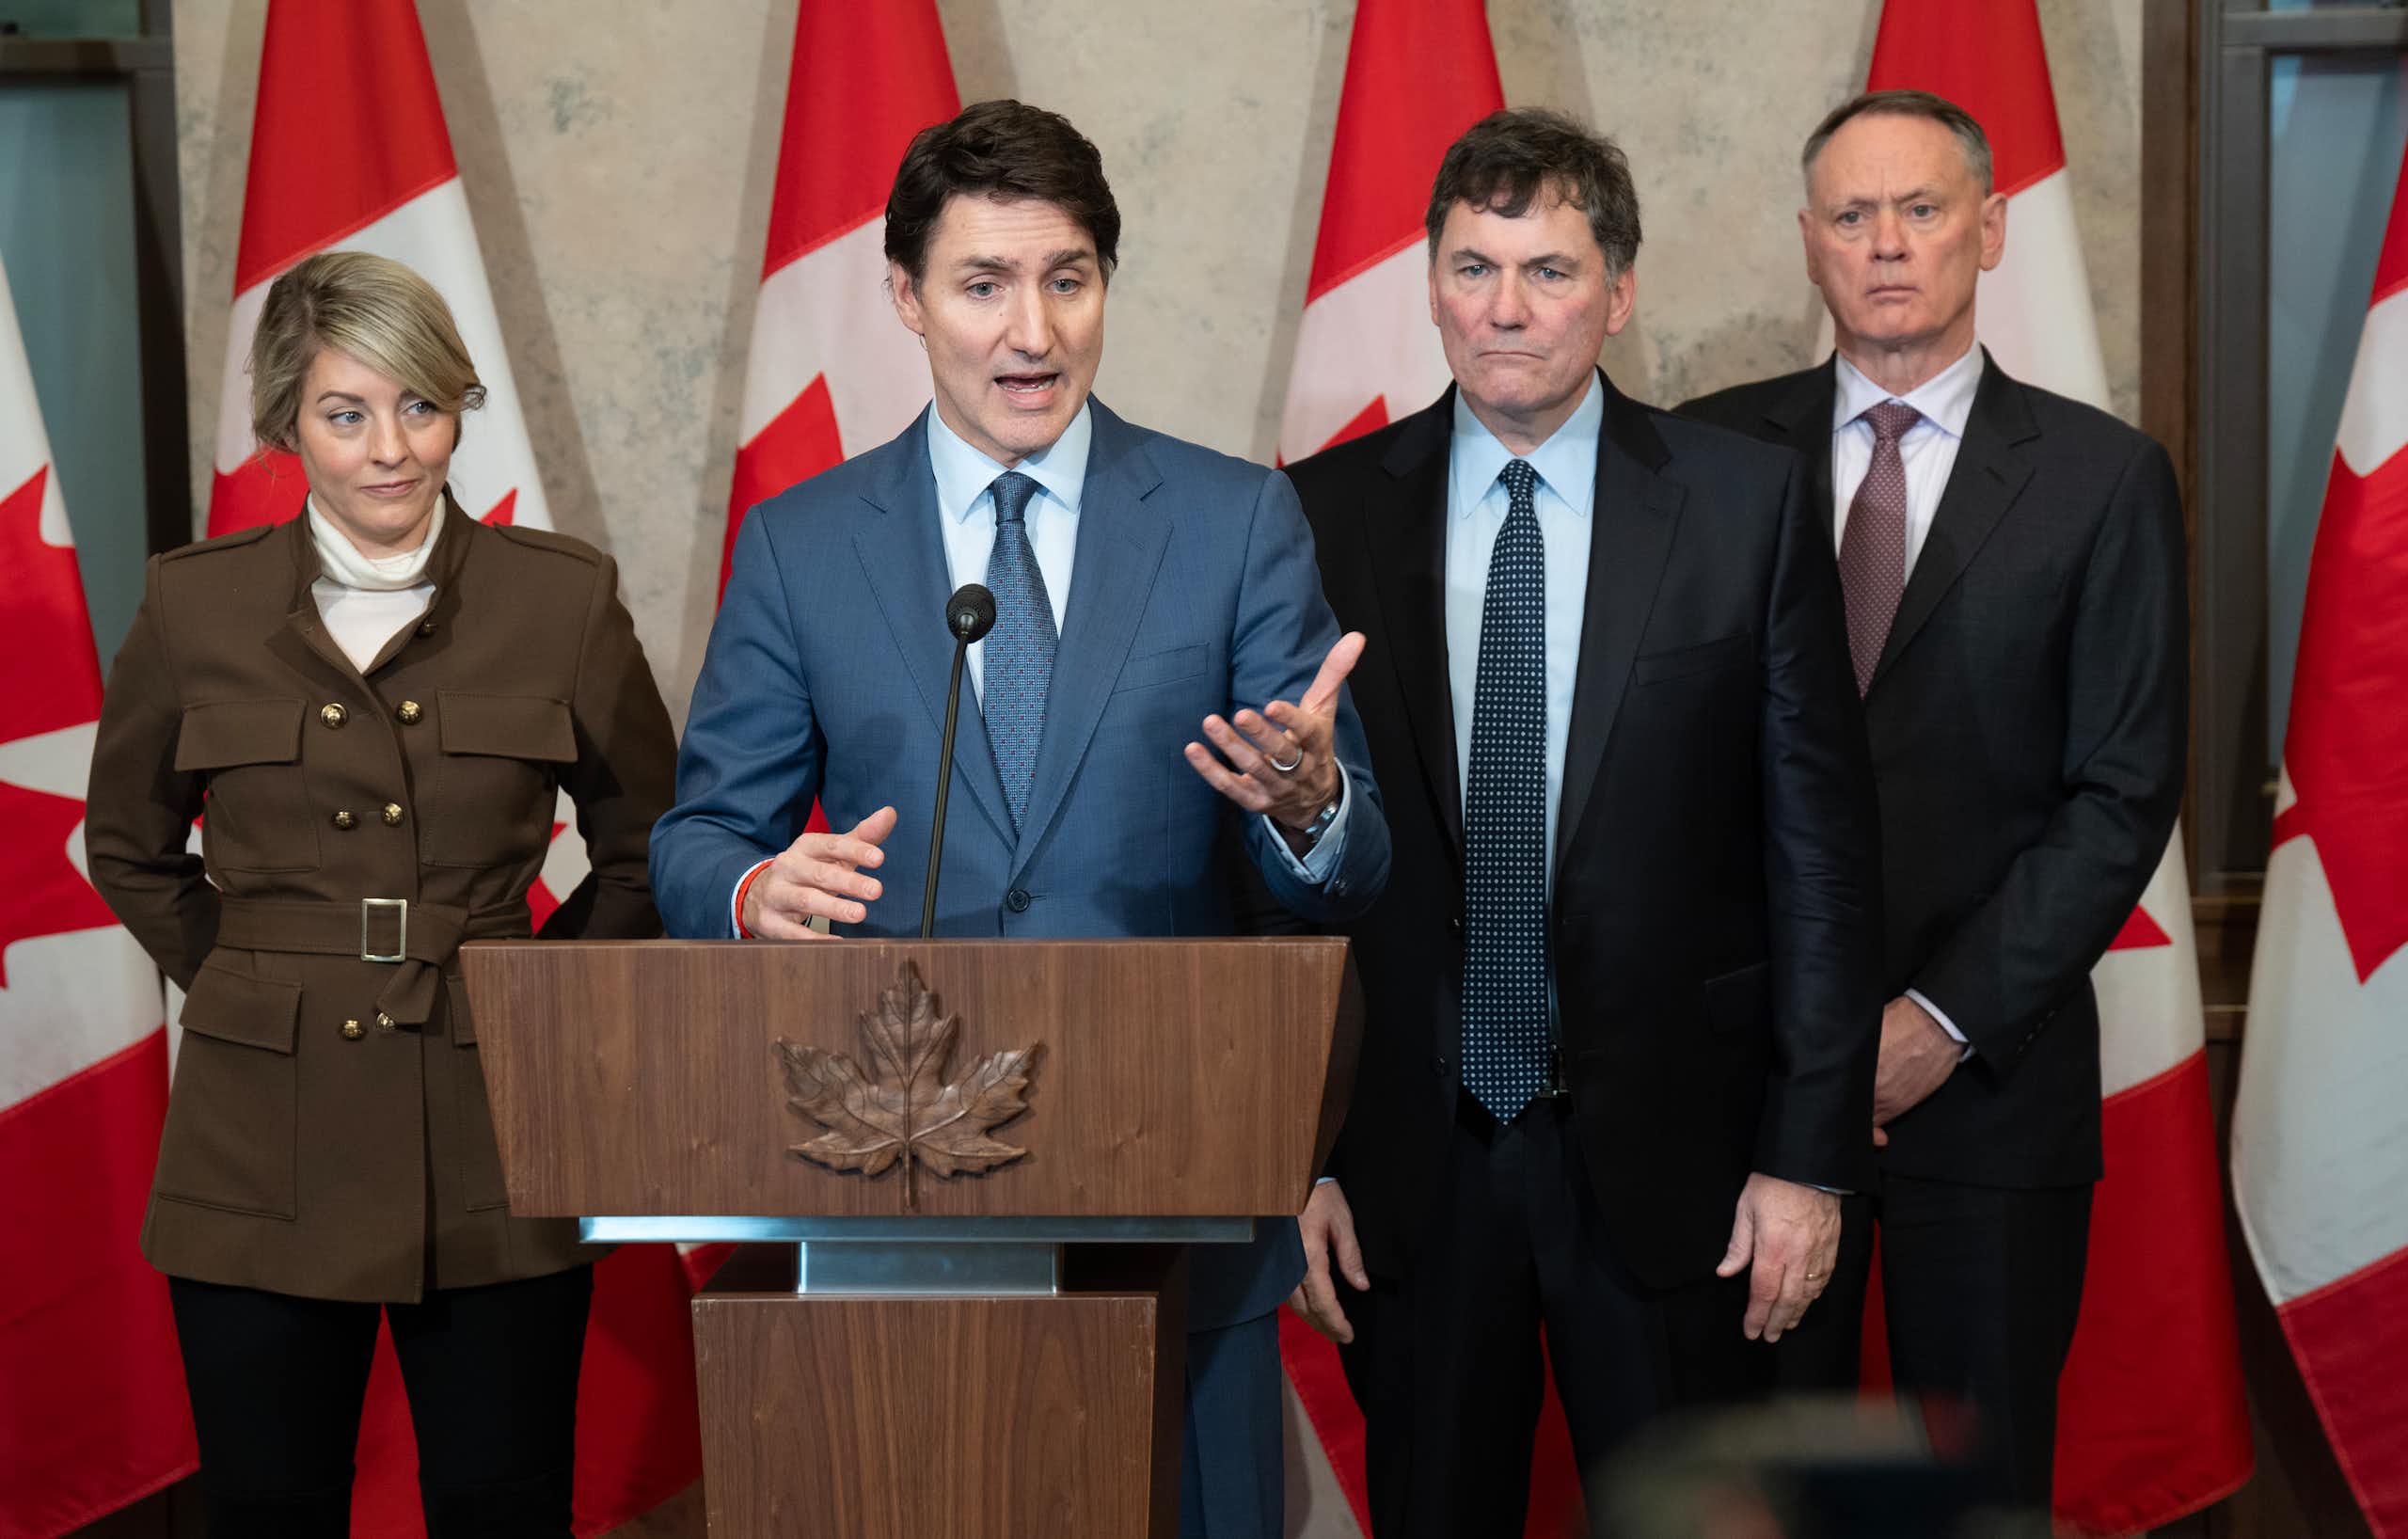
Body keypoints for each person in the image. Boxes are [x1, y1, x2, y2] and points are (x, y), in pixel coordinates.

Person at [648, 99, 1391, 1538]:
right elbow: (695, 840)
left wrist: (1311, 802)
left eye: (1067, 279)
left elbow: (1347, 871)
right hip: (896, 1197)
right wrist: (751, 892)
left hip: (1176, 1190)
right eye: (983, 285)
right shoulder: (803, 545)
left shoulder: (1234, 522)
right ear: (906, 297)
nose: (1031, 332)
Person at [1276, 108, 1884, 1537]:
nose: (1505, 308)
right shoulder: (1315, 515)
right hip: (1412, 1165)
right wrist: (1294, 1156)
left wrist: (1806, 1157)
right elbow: (1274, 866)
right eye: (1473, 268)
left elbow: (1822, 860)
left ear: (1618, 293)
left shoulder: (1742, 507)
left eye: (1548, 271)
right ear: (1431, 286)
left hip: (1680, 1167)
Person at [84, 249, 677, 1536]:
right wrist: (255, 983)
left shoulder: (559, 598)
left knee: (505, 1504)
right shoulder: (195, 605)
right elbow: (126, 846)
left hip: (495, 1118)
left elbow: (650, 846)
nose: (391, 450)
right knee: (268, 1507)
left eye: (420, 406)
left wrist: (529, 995)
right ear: (288, 422)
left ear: (458, 406)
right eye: (346, 414)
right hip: (257, 1131)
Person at [1676, 89, 2188, 1507]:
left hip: (1991, 1091)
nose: (1887, 243)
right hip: (1750, 1090)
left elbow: (2121, 793)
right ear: (1810, 243)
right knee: (1750, 1495)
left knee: (1979, 1493)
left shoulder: (2103, 479)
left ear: (1991, 228)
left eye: (1921, 208)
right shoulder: (1704, 461)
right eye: (1852, 215)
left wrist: (1939, 1023)